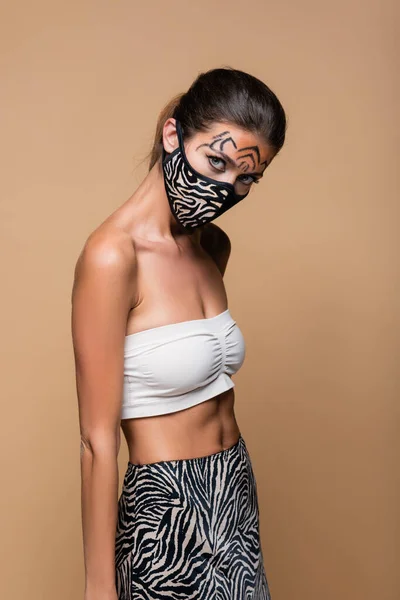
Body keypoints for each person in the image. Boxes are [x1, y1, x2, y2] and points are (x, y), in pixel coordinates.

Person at [71, 66, 287, 600]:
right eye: (215, 161)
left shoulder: (212, 247)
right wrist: (99, 591)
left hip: (235, 488)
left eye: (245, 177)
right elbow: (97, 443)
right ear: (173, 135)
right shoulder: (111, 256)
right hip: (166, 513)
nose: (225, 188)